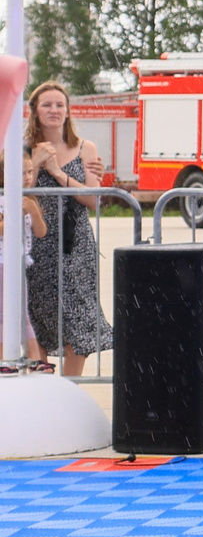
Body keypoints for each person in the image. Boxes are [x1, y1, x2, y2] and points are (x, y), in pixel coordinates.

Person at [21, 82, 111, 378]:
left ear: (68, 111)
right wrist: (34, 165)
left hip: (75, 244)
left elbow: (92, 200)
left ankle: (70, 389)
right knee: (39, 317)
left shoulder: (85, 148)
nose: (54, 110)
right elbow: (16, 192)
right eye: (46, 105)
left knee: (79, 317)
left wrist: (58, 173)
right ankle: (42, 388)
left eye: (60, 104)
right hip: (34, 243)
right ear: (34, 111)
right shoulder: (21, 149)